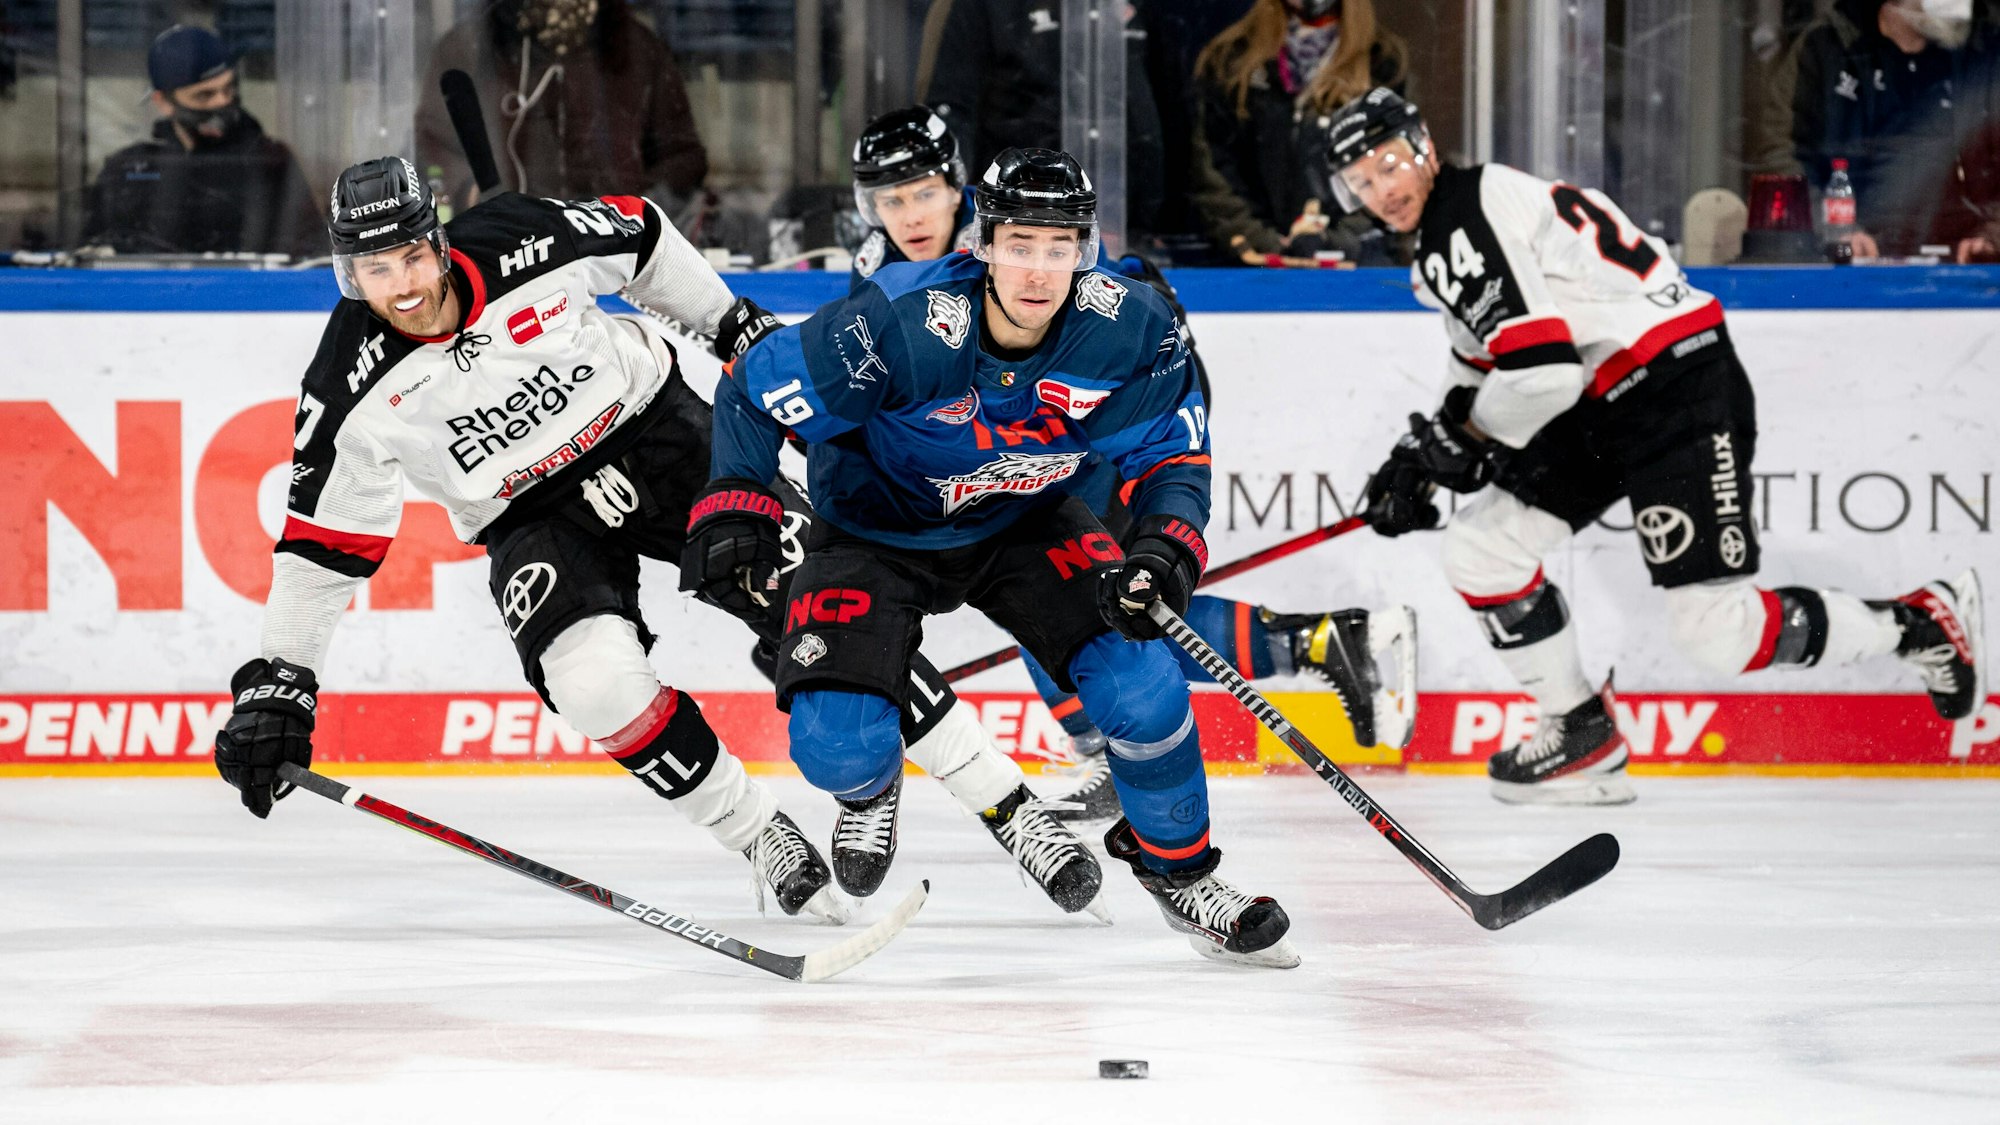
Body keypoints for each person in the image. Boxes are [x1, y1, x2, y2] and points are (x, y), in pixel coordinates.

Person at [209, 156, 1105, 926]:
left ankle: (1008, 803)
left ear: (437, 240)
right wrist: (281, 682)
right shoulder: (346, 386)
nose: (403, 284)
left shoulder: (524, 236)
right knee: (594, 683)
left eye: (412, 254)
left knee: (828, 604)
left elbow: (638, 236)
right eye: (375, 269)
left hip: (660, 434)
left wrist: (731, 325)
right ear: (345, 274)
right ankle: (761, 836)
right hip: (531, 517)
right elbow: (322, 545)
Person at [690, 147, 1302, 968]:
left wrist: (1163, 544)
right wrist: (738, 500)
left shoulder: (1129, 325)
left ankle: (1182, 875)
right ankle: (870, 791)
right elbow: (753, 387)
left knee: (1143, 684)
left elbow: (1175, 454)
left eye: (1060, 248)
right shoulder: (901, 321)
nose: (1039, 270)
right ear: (982, 241)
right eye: (1020, 244)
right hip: (877, 528)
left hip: (1024, 519)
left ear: (1084, 250)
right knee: (836, 743)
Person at [1328, 87, 1986, 806]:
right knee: (1482, 549)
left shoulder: (1466, 216)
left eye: (1389, 164)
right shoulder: (1448, 239)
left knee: (1716, 634)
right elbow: (1485, 365)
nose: (1382, 189)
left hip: (1675, 383)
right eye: (1361, 181)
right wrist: (1419, 456)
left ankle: (1920, 622)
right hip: (1604, 395)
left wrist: (1459, 441)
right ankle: (1580, 732)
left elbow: (1540, 370)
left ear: (1423, 146)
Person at [845, 106, 1417, 824]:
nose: (910, 213)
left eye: (924, 191)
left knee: (1086, 603)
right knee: (1068, 607)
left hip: (1085, 434)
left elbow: (1112, 306)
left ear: (958, 186)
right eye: (889, 199)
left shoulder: (1012, 232)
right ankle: (1315, 643)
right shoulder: (876, 270)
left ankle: (1283, 659)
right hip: (1013, 456)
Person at [414, 0, 708, 211]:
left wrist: (638, 210)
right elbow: (434, 145)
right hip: (508, 251)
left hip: (613, 255)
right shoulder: (471, 48)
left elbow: (681, 154)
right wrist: (473, 194)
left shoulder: (637, 49)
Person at [919, 0, 1166, 238]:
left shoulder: (1150, 10)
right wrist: (963, 219)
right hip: (1018, 221)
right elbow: (951, 112)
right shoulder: (982, 8)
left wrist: (1167, 219)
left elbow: (1175, 104)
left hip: (1136, 227)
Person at [1190, 0, 1408, 268]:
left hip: (1355, 268)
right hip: (1250, 268)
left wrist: (1338, 240)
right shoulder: (1230, 58)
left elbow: (1393, 167)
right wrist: (1261, 241)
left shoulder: (1383, 60)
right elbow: (1212, 168)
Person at [80, 25, 320, 256]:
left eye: (228, 89)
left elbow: (309, 254)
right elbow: (89, 252)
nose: (221, 103)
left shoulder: (271, 163)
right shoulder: (130, 169)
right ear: (163, 102)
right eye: (204, 95)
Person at [1789, 0, 2000, 259]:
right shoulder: (1827, 49)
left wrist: (1993, 233)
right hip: (1855, 264)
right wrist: (1835, 233)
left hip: (1964, 265)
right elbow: (1784, 159)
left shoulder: (1985, 51)